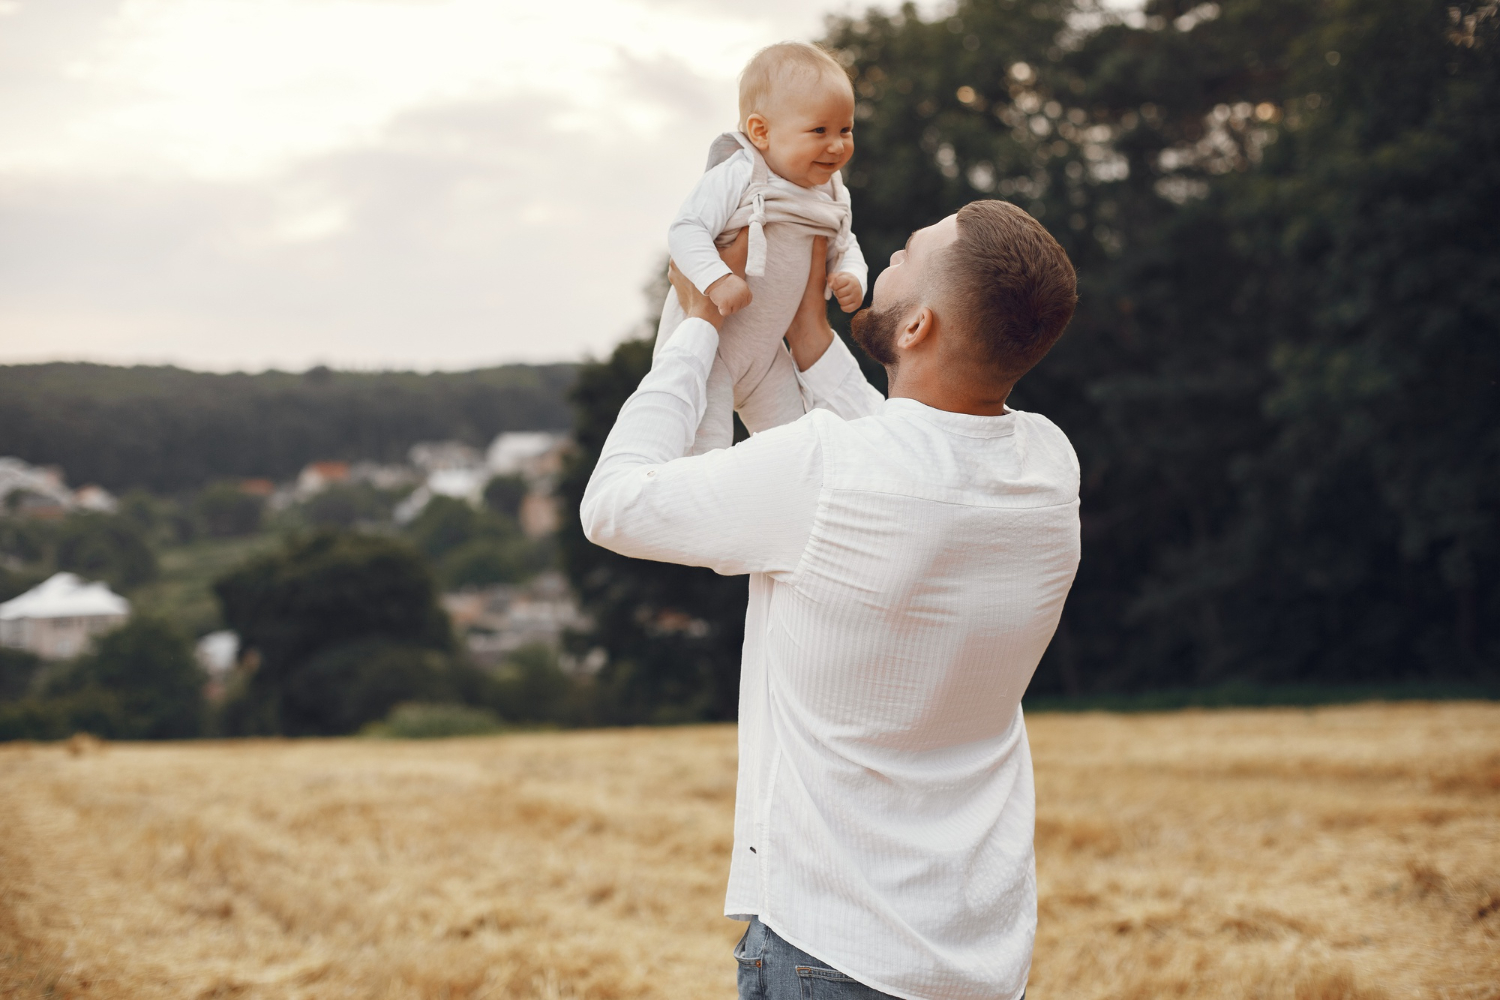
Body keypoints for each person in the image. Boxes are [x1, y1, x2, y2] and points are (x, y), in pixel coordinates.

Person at [582, 199, 1080, 1000]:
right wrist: (811, 340)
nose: (887, 258)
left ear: (917, 326)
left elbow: (612, 505)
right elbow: (912, 451)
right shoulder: (1047, 465)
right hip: (981, 958)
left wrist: (696, 326)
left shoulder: (827, 470)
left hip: (832, 951)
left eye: (907, 255)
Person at [657, 41, 869, 455]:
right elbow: (686, 229)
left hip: (768, 356)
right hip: (710, 346)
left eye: (845, 130)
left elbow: (846, 242)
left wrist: (851, 275)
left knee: (795, 450)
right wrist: (717, 279)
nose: (836, 145)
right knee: (703, 453)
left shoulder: (831, 192)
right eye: (819, 131)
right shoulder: (740, 173)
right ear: (761, 132)